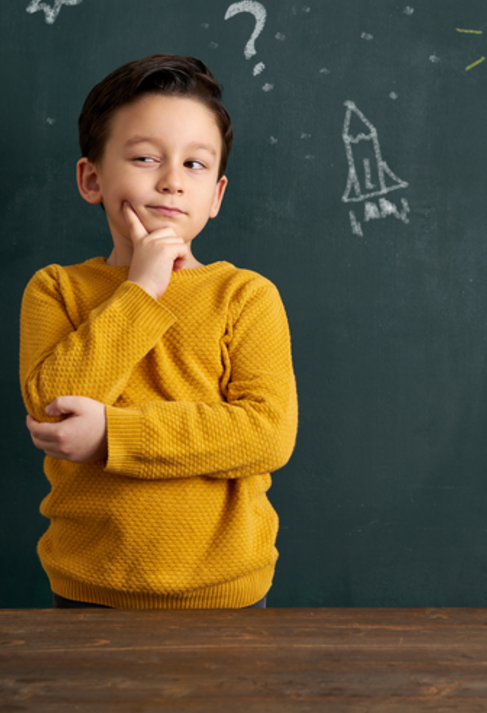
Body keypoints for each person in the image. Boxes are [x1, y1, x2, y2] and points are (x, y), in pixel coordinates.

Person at [20, 54, 298, 609]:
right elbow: (52, 405)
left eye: (194, 165)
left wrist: (113, 436)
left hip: (227, 595)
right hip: (87, 590)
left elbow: (267, 434)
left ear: (216, 196)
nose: (171, 181)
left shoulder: (246, 296)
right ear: (92, 178)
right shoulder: (55, 289)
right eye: (146, 158)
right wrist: (141, 290)